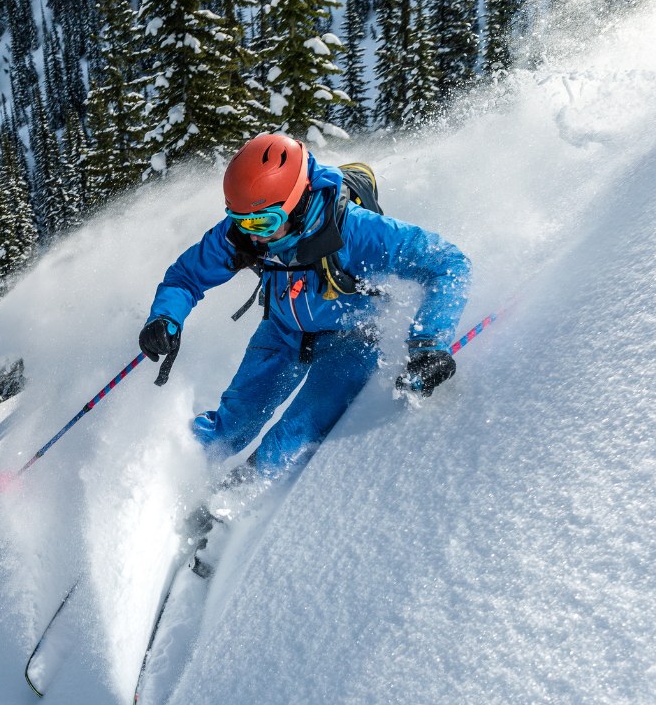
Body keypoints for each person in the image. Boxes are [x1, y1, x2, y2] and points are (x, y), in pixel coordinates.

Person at [138, 133, 472, 491]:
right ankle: (160, 480)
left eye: (261, 224)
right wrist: (165, 317)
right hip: (282, 332)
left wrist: (428, 344)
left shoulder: (355, 230)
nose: (253, 236)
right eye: (240, 221)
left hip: (351, 338)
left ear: (296, 201)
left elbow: (448, 263)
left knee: (291, 437)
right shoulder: (244, 231)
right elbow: (186, 276)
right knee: (232, 425)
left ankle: (229, 504)